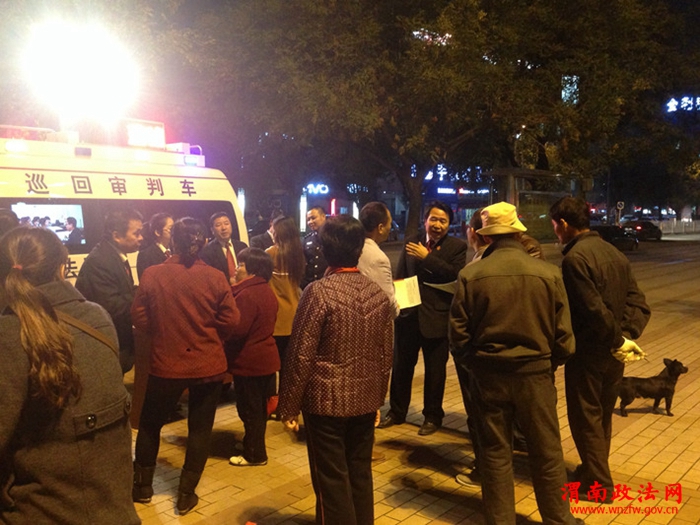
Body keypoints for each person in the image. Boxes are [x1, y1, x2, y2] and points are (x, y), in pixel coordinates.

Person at [449, 202, 580, 525]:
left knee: (495, 453)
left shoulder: (470, 276)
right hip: (535, 375)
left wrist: (476, 364)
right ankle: (558, 519)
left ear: (486, 236)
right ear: (518, 234)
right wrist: (548, 363)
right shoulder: (548, 274)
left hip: (488, 376)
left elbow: (458, 337)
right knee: (547, 452)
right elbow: (565, 338)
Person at [0, 227, 139, 525]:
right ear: (62, 268)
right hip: (114, 506)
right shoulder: (98, 316)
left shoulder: (7, 334)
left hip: (39, 512)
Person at [278, 215, 394, 525]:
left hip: (325, 403)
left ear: (324, 250)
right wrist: (379, 398)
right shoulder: (376, 293)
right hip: (365, 401)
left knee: (331, 479)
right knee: (359, 472)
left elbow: (300, 354)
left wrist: (288, 406)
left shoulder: (318, 292)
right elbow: (386, 355)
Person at [131, 217, 240, 515]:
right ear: (203, 242)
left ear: (173, 241)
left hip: (165, 364)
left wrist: (163, 330)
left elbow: (139, 317)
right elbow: (231, 320)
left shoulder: (153, 274)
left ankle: (142, 487)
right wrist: (210, 334)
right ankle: (186, 494)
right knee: (200, 429)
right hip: (208, 364)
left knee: (150, 424)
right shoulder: (216, 277)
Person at [550, 196, 651, 501]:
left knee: (585, 417)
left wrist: (617, 339)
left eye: (554, 225)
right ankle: (591, 470)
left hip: (589, 352)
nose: (555, 232)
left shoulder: (575, 259)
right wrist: (627, 336)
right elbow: (638, 302)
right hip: (614, 353)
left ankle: (599, 486)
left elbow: (592, 310)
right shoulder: (614, 253)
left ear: (564, 224)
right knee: (602, 415)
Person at [378, 200, 467, 436]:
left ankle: (432, 416)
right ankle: (397, 412)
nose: (437, 225)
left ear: (449, 224)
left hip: (437, 319)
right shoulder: (412, 241)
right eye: (433, 219)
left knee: (435, 372)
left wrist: (427, 258)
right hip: (409, 317)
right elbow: (401, 275)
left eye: (443, 221)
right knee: (401, 368)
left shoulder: (457, 247)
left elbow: (454, 275)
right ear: (425, 220)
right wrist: (398, 308)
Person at [226, 248, 280, 467]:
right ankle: (253, 444)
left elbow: (237, 330)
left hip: (250, 361)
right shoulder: (265, 290)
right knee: (257, 409)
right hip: (264, 359)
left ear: (252, 269)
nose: (236, 269)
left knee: (250, 410)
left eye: (241, 265)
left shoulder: (247, 295)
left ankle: (255, 455)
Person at [75, 209, 143, 374]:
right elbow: (112, 306)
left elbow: (125, 292)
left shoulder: (114, 255)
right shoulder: (100, 261)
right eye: (136, 233)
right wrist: (144, 303)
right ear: (117, 236)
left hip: (117, 339)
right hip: (106, 341)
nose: (141, 238)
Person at [265, 216, 305, 378]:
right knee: (289, 366)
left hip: (277, 317)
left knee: (274, 364)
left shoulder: (270, 253)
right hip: (294, 314)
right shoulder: (297, 255)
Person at [357, 201, 399, 316]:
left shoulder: (354, 248)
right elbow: (388, 305)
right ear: (380, 228)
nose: (390, 228)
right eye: (389, 224)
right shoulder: (378, 259)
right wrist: (397, 308)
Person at [200, 211, 248, 285]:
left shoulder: (242, 246)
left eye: (226, 223)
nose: (224, 228)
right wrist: (229, 280)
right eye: (218, 225)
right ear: (212, 230)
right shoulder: (207, 251)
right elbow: (210, 275)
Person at [136, 213, 174, 280]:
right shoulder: (145, 256)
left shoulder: (176, 251)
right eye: (171, 229)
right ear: (157, 232)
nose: (174, 232)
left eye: (175, 229)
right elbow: (145, 281)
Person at [301, 206, 328, 289]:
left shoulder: (332, 237)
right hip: (310, 285)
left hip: (327, 284)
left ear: (323, 216)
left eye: (313, 218)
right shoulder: (306, 240)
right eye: (308, 219)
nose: (310, 222)